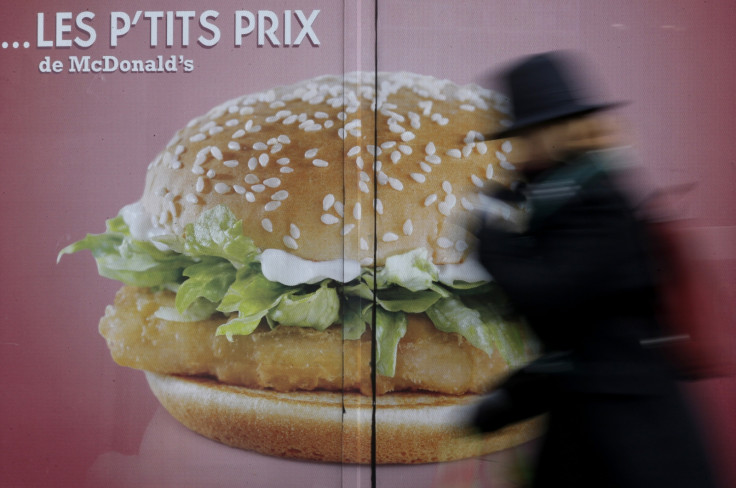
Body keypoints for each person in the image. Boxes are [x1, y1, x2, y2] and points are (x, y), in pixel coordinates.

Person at [470, 51, 718, 488]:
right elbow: (574, 335)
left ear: (547, 134)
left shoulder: (597, 201)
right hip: (600, 423)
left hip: (632, 435)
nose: (516, 150)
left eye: (523, 135)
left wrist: (492, 234)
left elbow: (547, 298)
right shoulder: (572, 194)